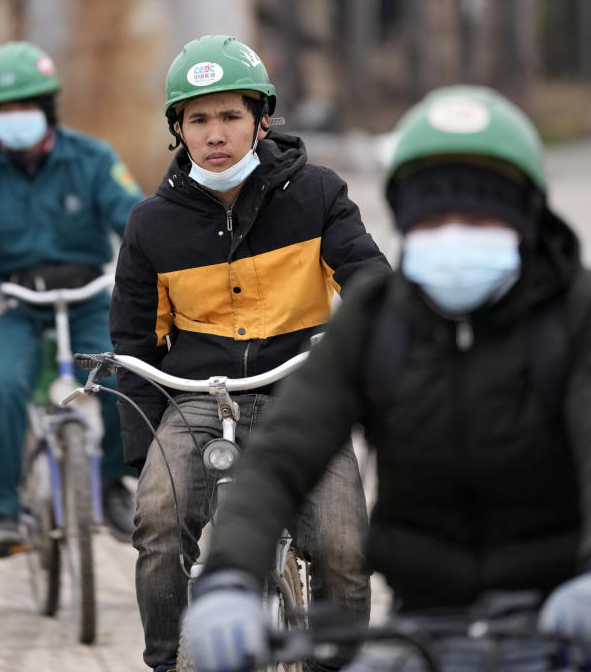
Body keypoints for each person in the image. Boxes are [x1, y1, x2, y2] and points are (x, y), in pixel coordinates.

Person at [184, 85, 591, 672]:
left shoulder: (586, 312)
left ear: (527, 215)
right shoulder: (377, 318)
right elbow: (283, 454)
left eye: (480, 211)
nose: (455, 229)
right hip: (425, 625)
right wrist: (229, 577)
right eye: (434, 213)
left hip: (568, 616)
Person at [109, 35, 388, 671]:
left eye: (231, 115)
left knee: (345, 546)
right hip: (198, 401)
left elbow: (367, 274)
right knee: (155, 521)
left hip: (303, 396)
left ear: (262, 119)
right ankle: (167, 662)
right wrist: (144, 446)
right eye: (198, 119)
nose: (216, 133)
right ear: (177, 130)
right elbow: (133, 342)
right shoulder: (150, 224)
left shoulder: (317, 193)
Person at [0, 41, 143, 556]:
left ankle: (113, 481)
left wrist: (157, 261)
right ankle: (4, 509)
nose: (17, 118)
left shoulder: (92, 159)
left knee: (127, 372)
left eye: (27, 106)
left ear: (48, 108)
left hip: (87, 295)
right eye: (6, 109)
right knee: (3, 390)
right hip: (12, 301)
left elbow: (136, 221)